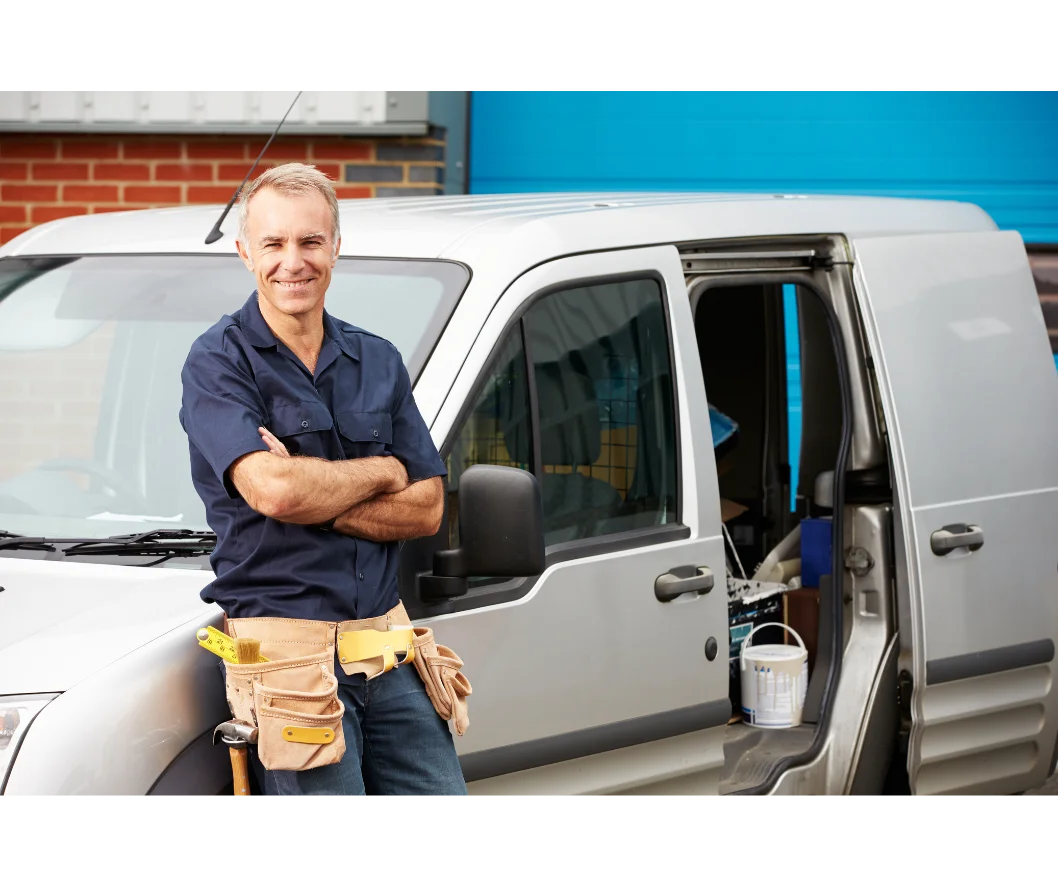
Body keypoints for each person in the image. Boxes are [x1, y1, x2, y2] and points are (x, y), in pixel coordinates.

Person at [179, 162, 468, 799]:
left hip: (387, 647)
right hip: (285, 657)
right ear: (244, 251)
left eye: (310, 242)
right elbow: (275, 493)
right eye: (274, 243)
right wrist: (381, 472)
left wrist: (317, 493)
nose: (293, 262)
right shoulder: (217, 361)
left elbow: (424, 509)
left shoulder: (377, 359)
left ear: (335, 246)